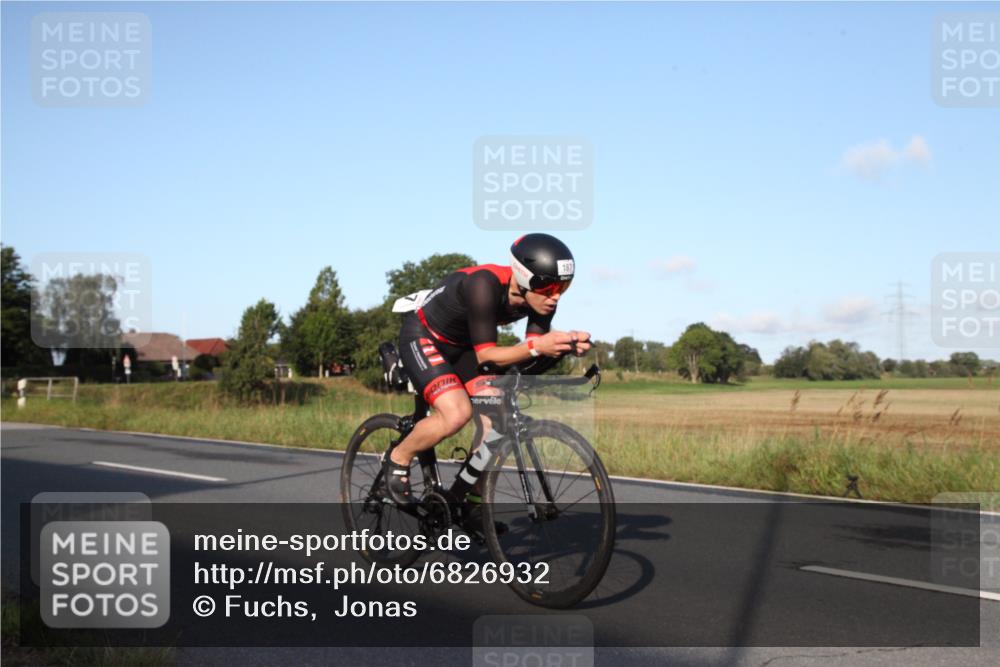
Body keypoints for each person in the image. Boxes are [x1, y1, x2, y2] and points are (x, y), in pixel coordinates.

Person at [384, 233, 592, 509]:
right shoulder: (484, 284)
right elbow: (488, 355)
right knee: (457, 413)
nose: (555, 297)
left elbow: (523, 364)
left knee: (497, 415)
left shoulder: (542, 301)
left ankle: (468, 496)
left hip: (464, 347)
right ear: (524, 276)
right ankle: (398, 458)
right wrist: (539, 346)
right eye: (549, 287)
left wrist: (561, 347)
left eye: (563, 288)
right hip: (424, 336)